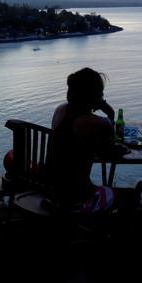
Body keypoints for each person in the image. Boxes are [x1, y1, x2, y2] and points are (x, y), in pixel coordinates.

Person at [48, 67, 118, 212]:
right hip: (78, 198)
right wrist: (110, 113)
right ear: (95, 96)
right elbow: (109, 153)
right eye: (101, 93)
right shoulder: (99, 123)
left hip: (51, 192)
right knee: (125, 197)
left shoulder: (60, 110)